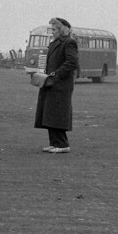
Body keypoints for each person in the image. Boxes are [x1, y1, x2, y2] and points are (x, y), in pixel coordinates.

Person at [33, 17, 79, 153]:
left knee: (56, 114)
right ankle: (54, 143)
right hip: (51, 83)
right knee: (50, 113)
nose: (51, 32)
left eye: (53, 29)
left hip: (60, 85)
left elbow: (72, 63)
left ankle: (62, 144)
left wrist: (56, 74)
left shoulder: (69, 43)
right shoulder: (56, 43)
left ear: (61, 29)